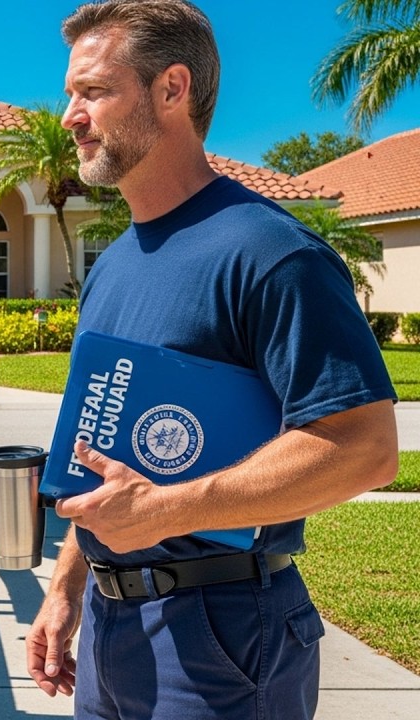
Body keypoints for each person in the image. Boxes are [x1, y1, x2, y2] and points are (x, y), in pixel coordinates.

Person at [26, 1, 399, 718]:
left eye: (94, 91)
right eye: (71, 93)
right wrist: (67, 585)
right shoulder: (114, 265)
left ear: (172, 89)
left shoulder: (271, 252)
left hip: (221, 631)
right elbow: (107, 449)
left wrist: (164, 511)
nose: (71, 115)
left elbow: (365, 448)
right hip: (107, 627)